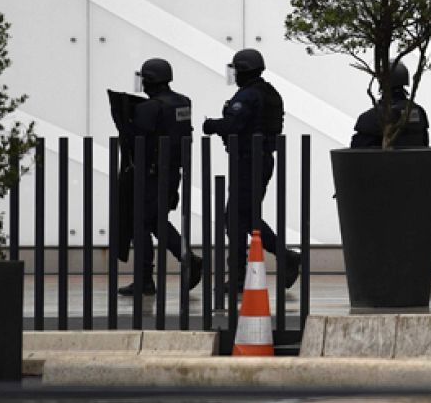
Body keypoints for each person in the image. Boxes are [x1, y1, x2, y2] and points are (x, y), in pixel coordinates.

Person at [203, 48, 302, 293]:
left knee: (235, 218)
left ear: (243, 71)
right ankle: (278, 258)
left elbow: (233, 124)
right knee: (243, 217)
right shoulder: (270, 93)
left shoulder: (247, 96)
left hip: (248, 161)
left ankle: (242, 275)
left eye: (237, 70)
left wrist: (211, 125)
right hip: (261, 159)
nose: (234, 74)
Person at [118, 58, 202, 297]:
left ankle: (145, 279)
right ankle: (188, 258)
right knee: (156, 221)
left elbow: (137, 143)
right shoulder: (183, 102)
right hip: (173, 172)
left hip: (150, 174)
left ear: (149, 80)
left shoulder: (149, 108)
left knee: (141, 225)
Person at [351, 60, 430, 148]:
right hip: (417, 161)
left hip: (384, 161)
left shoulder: (372, 116)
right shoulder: (419, 112)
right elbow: (424, 143)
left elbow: (358, 152)